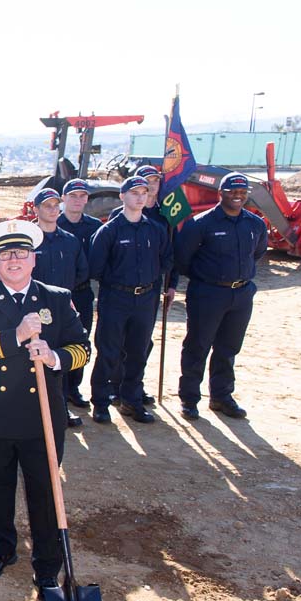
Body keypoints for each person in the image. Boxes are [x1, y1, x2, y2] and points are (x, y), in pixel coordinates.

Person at [0, 220, 90, 595]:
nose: (13, 259)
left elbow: (82, 348)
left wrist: (54, 356)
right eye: (4, 254)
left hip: (41, 417)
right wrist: (14, 336)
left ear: (33, 259)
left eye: (20, 253)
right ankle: (3, 548)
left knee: (45, 492)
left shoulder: (57, 298)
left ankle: (47, 563)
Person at [175, 172, 268, 421]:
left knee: (228, 348)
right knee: (198, 346)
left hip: (241, 294)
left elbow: (257, 253)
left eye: (242, 192)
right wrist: (209, 277)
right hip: (208, 293)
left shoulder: (255, 224)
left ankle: (221, 397)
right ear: (221, 193)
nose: (238, 196)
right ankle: (189, 399)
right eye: (232, 192)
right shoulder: (201, 223)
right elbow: (183, 259)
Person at [87, 176, 173, 425]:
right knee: (109, 351)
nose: (139, 197)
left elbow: (166, 260)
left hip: (145, 298)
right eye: (134, 192)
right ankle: (101, 403)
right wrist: (120, 282)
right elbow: (96, 267)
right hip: (115, 297)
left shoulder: (155, 230)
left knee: (138, 351)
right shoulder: (109, 231)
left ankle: (131, 401)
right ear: (122, 196)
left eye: (144, 193)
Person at [30, 188, 89, 428]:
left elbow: (81, 272)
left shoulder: (70, 240)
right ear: (36, 209)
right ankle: (33, 412)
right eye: (47, 206)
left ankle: (60, 409)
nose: (53, 210)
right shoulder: (29, 241)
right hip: (33, 311)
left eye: (56, 206)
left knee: (59, 360)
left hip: (61, 310)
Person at [56, 179, 100, 409]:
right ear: (64, 198)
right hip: (56, 295)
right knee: (57, 342)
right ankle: (59, 391)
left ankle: (74, 388)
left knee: (79, 341)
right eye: (73, 195)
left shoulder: (95, 227)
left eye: (82, 196)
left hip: (81, 293)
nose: (78, 200)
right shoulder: (54, 223)